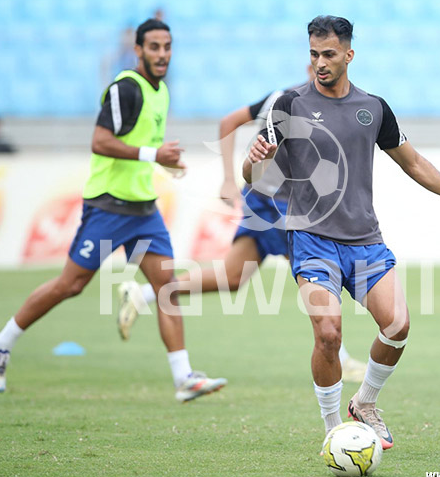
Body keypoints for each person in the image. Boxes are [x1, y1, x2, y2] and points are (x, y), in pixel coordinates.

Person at [243, 16, 440, 449]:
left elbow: (414, 164)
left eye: (328, 54)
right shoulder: (287, 105)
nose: (320, 63)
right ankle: (333, 433)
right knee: (328, 334)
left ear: (349, 54)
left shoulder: (374, 108)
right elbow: (253, 177)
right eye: (313, 55)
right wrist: (255, 158)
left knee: (398, 325)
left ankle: (364, 403)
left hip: (365, 240)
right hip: (310, 240)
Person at [0, 19, 227, 402]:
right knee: (71, 285)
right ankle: (0, 343)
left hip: (143, 210)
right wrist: (154, 154)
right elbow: (100, 141)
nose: (162, 54)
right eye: (154, 47)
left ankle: (183, 377)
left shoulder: (160, 91)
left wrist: (165, 162)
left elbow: (140, 143)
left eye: (167, 46)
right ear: (138, 50)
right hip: (109, 207)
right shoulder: (125, 88)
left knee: (166, 288)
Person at [117, 68, 367, 383]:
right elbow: (228, 122)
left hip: (277, 202)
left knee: (233, 277)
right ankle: (340, 357)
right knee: (315, 269)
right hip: (272, 202)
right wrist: (227, 179)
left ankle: (146, 293)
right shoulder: (284, 98)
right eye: (317, 58)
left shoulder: (331, 109)